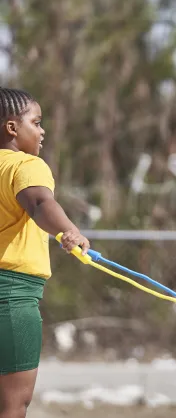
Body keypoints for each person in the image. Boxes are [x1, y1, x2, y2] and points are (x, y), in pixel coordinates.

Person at [0, 87, 90, 417]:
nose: (42, 131)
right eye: (36, 122)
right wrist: (69, 230)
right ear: (12, 128)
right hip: (10, 299)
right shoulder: (25, 165)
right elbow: (39, 202)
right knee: (11, 405)